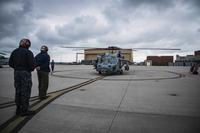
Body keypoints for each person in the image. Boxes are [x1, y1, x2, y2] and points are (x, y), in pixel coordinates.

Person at [9, 38, 36, 116]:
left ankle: (18, 109)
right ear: (28, 45)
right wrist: (28, 69)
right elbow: (32, 65)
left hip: (16, 73)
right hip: (25, 74)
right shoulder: (28, 52)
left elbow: (10, 63)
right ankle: (24, 110)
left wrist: (17, 68)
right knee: (26, 91)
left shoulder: (14, 51)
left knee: (18, 90)